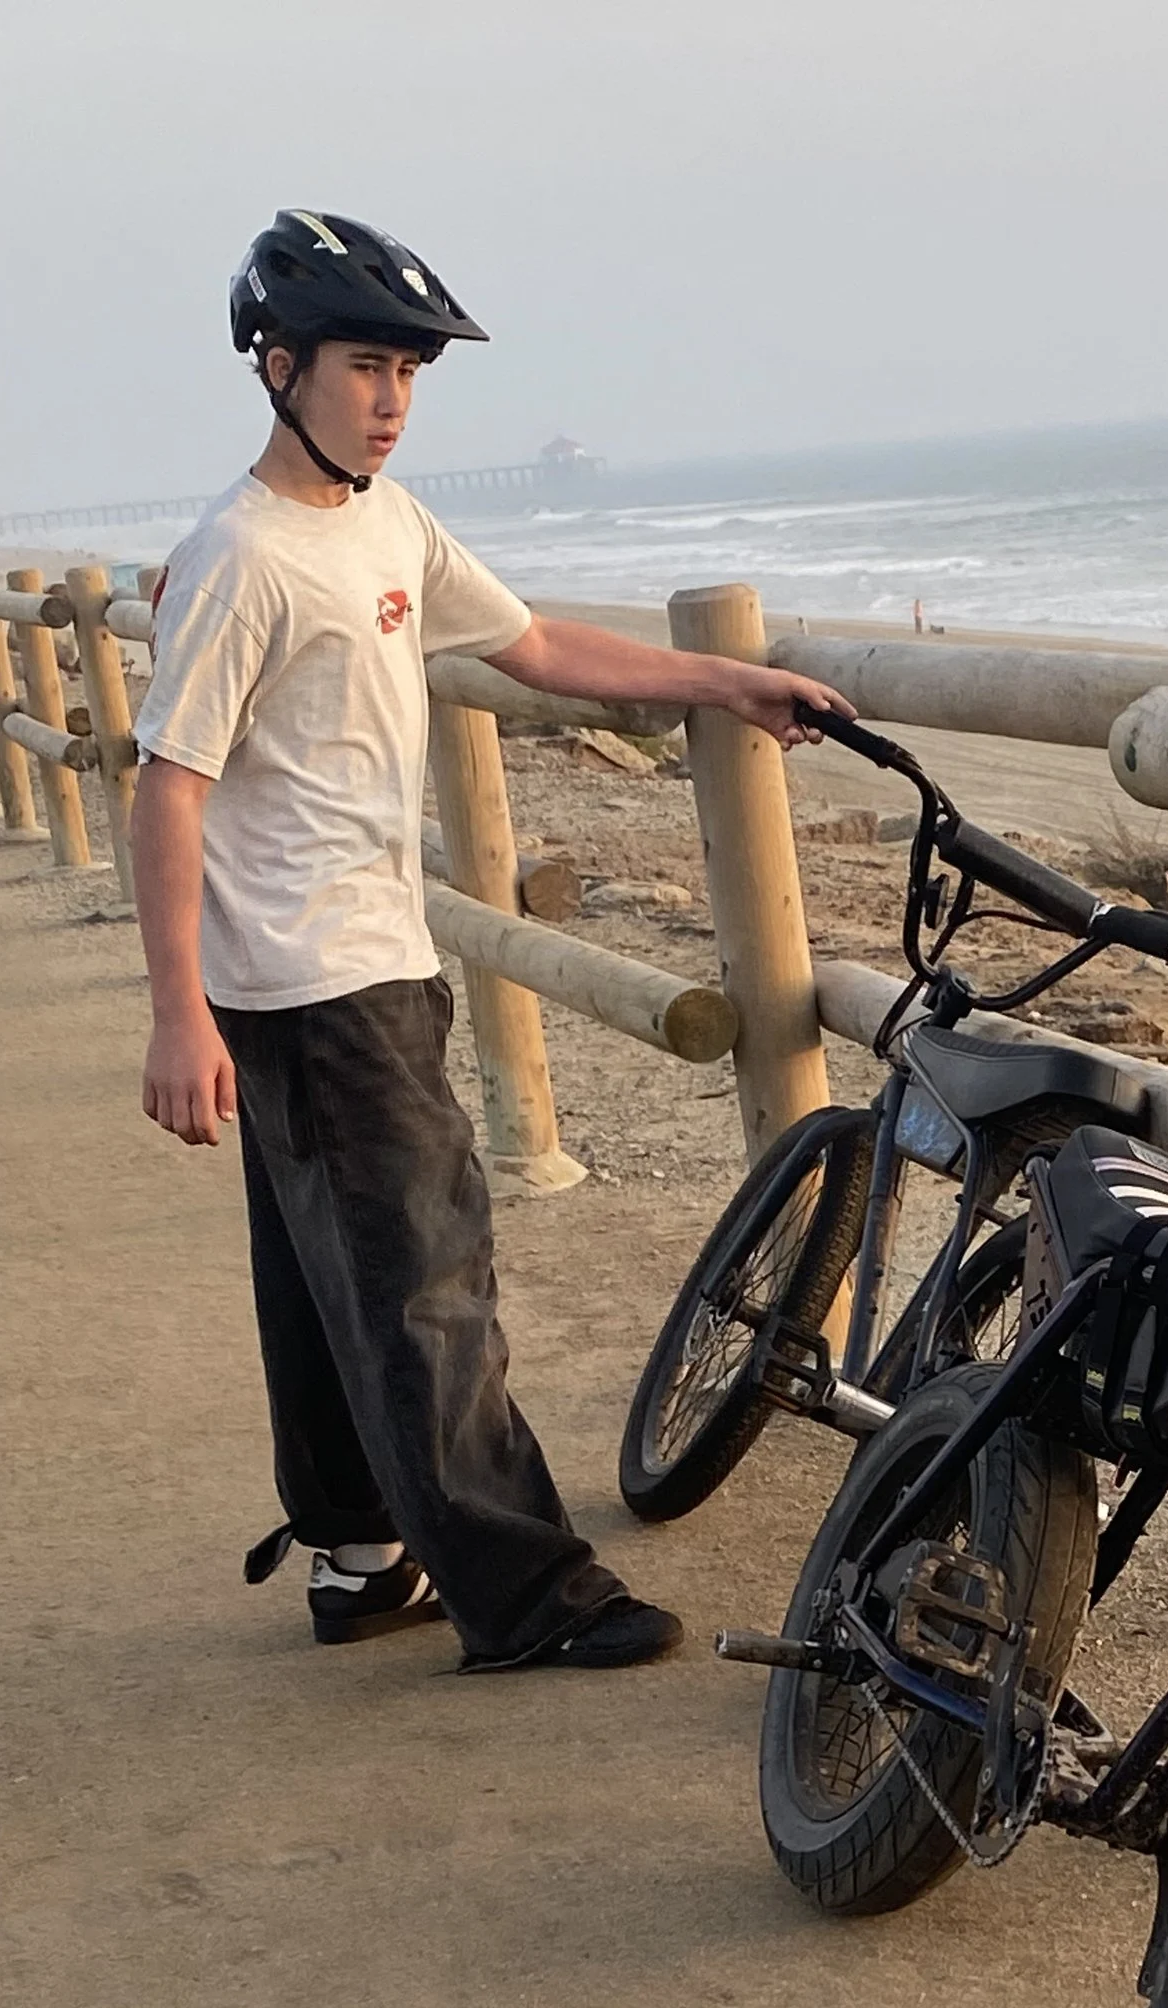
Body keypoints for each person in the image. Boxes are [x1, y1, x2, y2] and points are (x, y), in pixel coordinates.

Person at [132, 209, 852, 1668]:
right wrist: (173, 1013)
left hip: (348, 960)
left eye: (408, 373)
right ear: (277, 367)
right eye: (362, 368)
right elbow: (169, 782)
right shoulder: (243, 557)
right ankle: (526, 1595)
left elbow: (532, 646)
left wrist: (721, 678)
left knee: (326, 1273)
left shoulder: (384, 522)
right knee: (427, 1281)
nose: (392, 402)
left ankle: (360, 1559)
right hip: (318, 980)